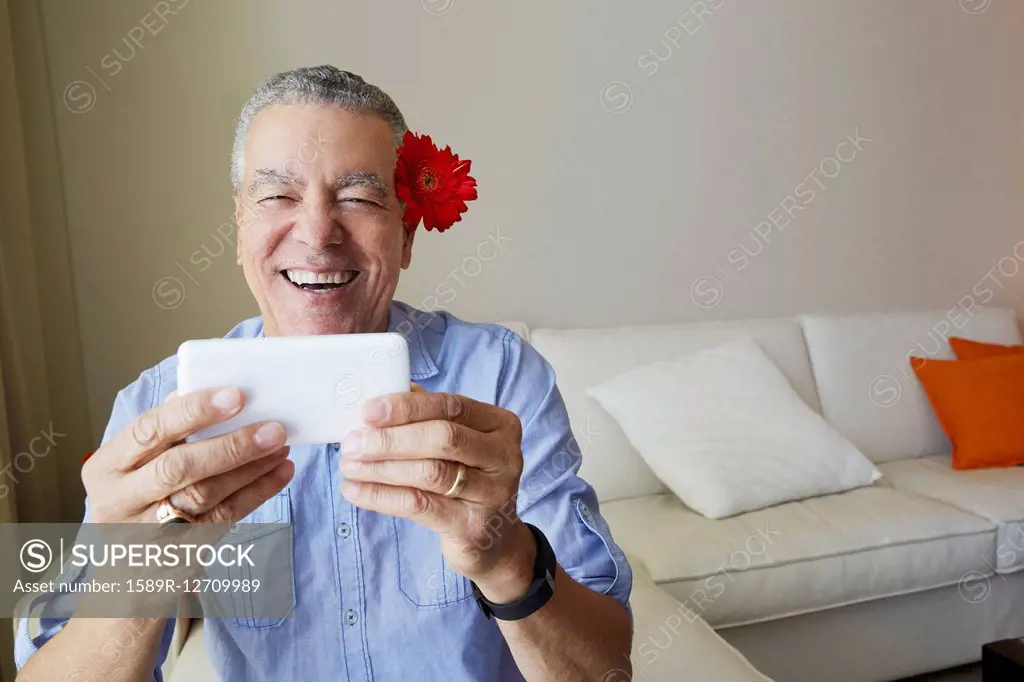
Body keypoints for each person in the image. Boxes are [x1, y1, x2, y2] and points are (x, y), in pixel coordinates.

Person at [14, 65, 633, 681]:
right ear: (239, 227)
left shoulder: (500, 378)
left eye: (359, 198)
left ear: (407, 233)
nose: (316, 232)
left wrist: (505, 561)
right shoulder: (159, 410)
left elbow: (607, 670)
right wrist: (134, 592)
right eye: (277, 195)